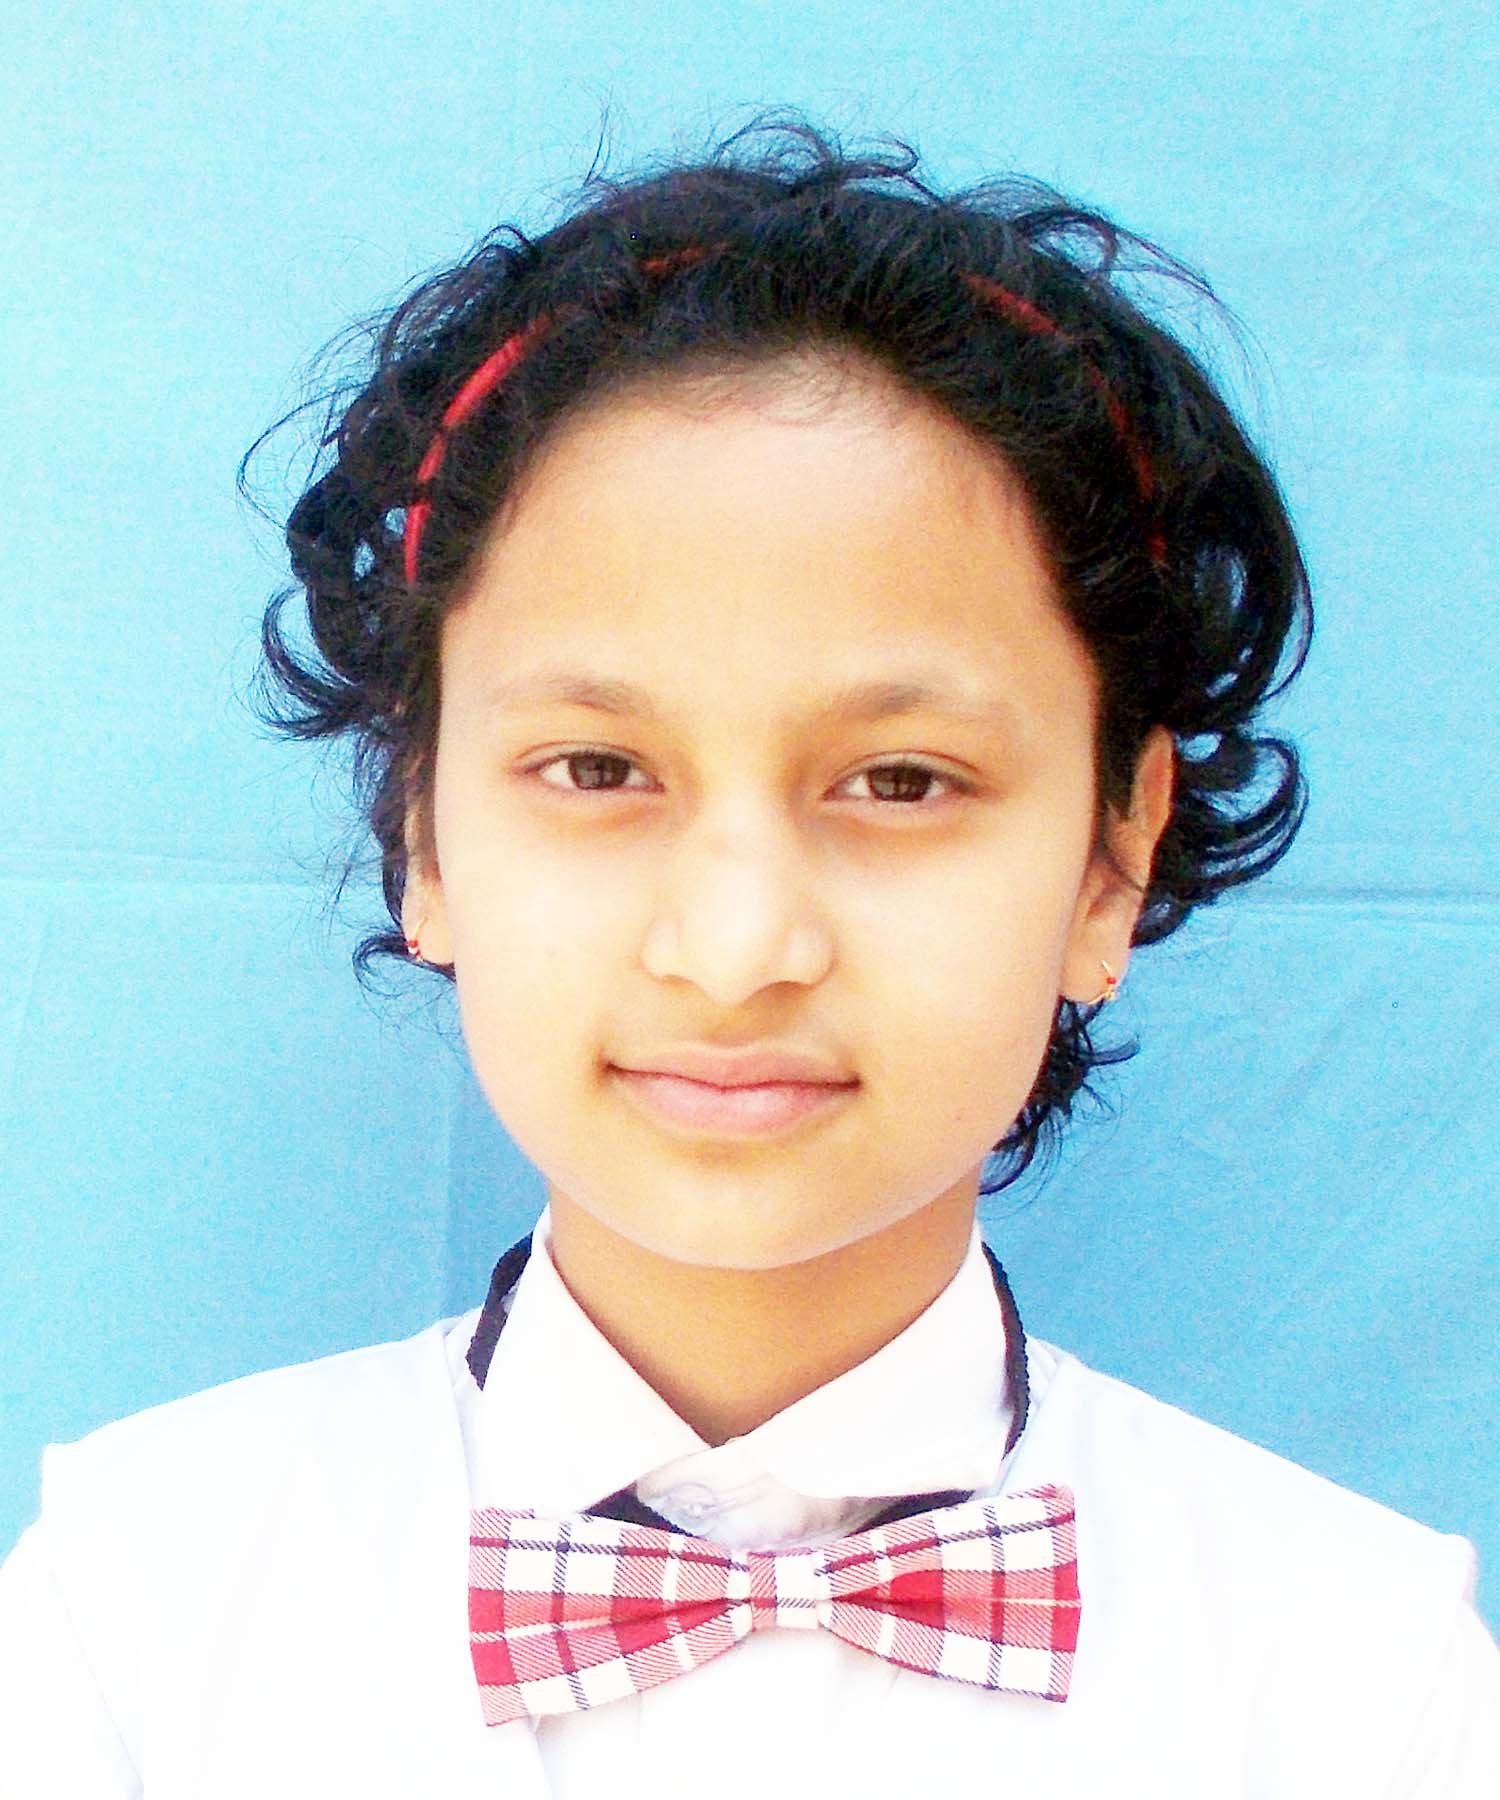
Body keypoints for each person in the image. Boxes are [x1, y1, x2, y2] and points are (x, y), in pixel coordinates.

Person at [1, 114, 1495, 1796]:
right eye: (597, 768)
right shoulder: (132, 1614)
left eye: (902, 780)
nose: (735, 950)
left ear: (1112, 854)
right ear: (422, 833)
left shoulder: (1366, 1680)